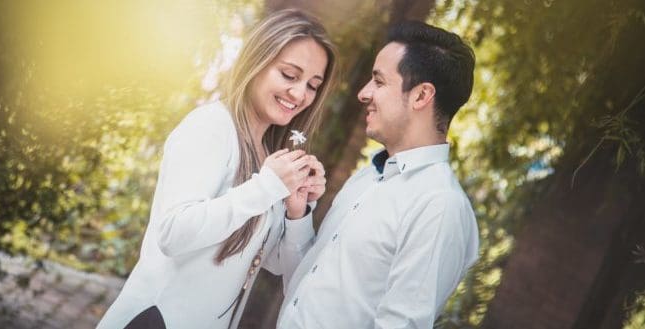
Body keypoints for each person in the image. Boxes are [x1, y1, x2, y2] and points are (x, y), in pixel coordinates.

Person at [97, 9, 336, 329]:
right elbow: (172, 233)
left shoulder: (265, 155)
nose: (299, 94)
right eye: (289, 75)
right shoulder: (210, 127)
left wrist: (298, 209)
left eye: (312, 85)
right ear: (256, 62)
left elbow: (279, 265)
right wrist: (266, 187)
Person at [277, 21, 479, 329]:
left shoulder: (440, 207)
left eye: (379, 82)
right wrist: (299, 213)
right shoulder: (370, 177)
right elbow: (305, 289)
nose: (363, 93)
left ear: (422, 95)